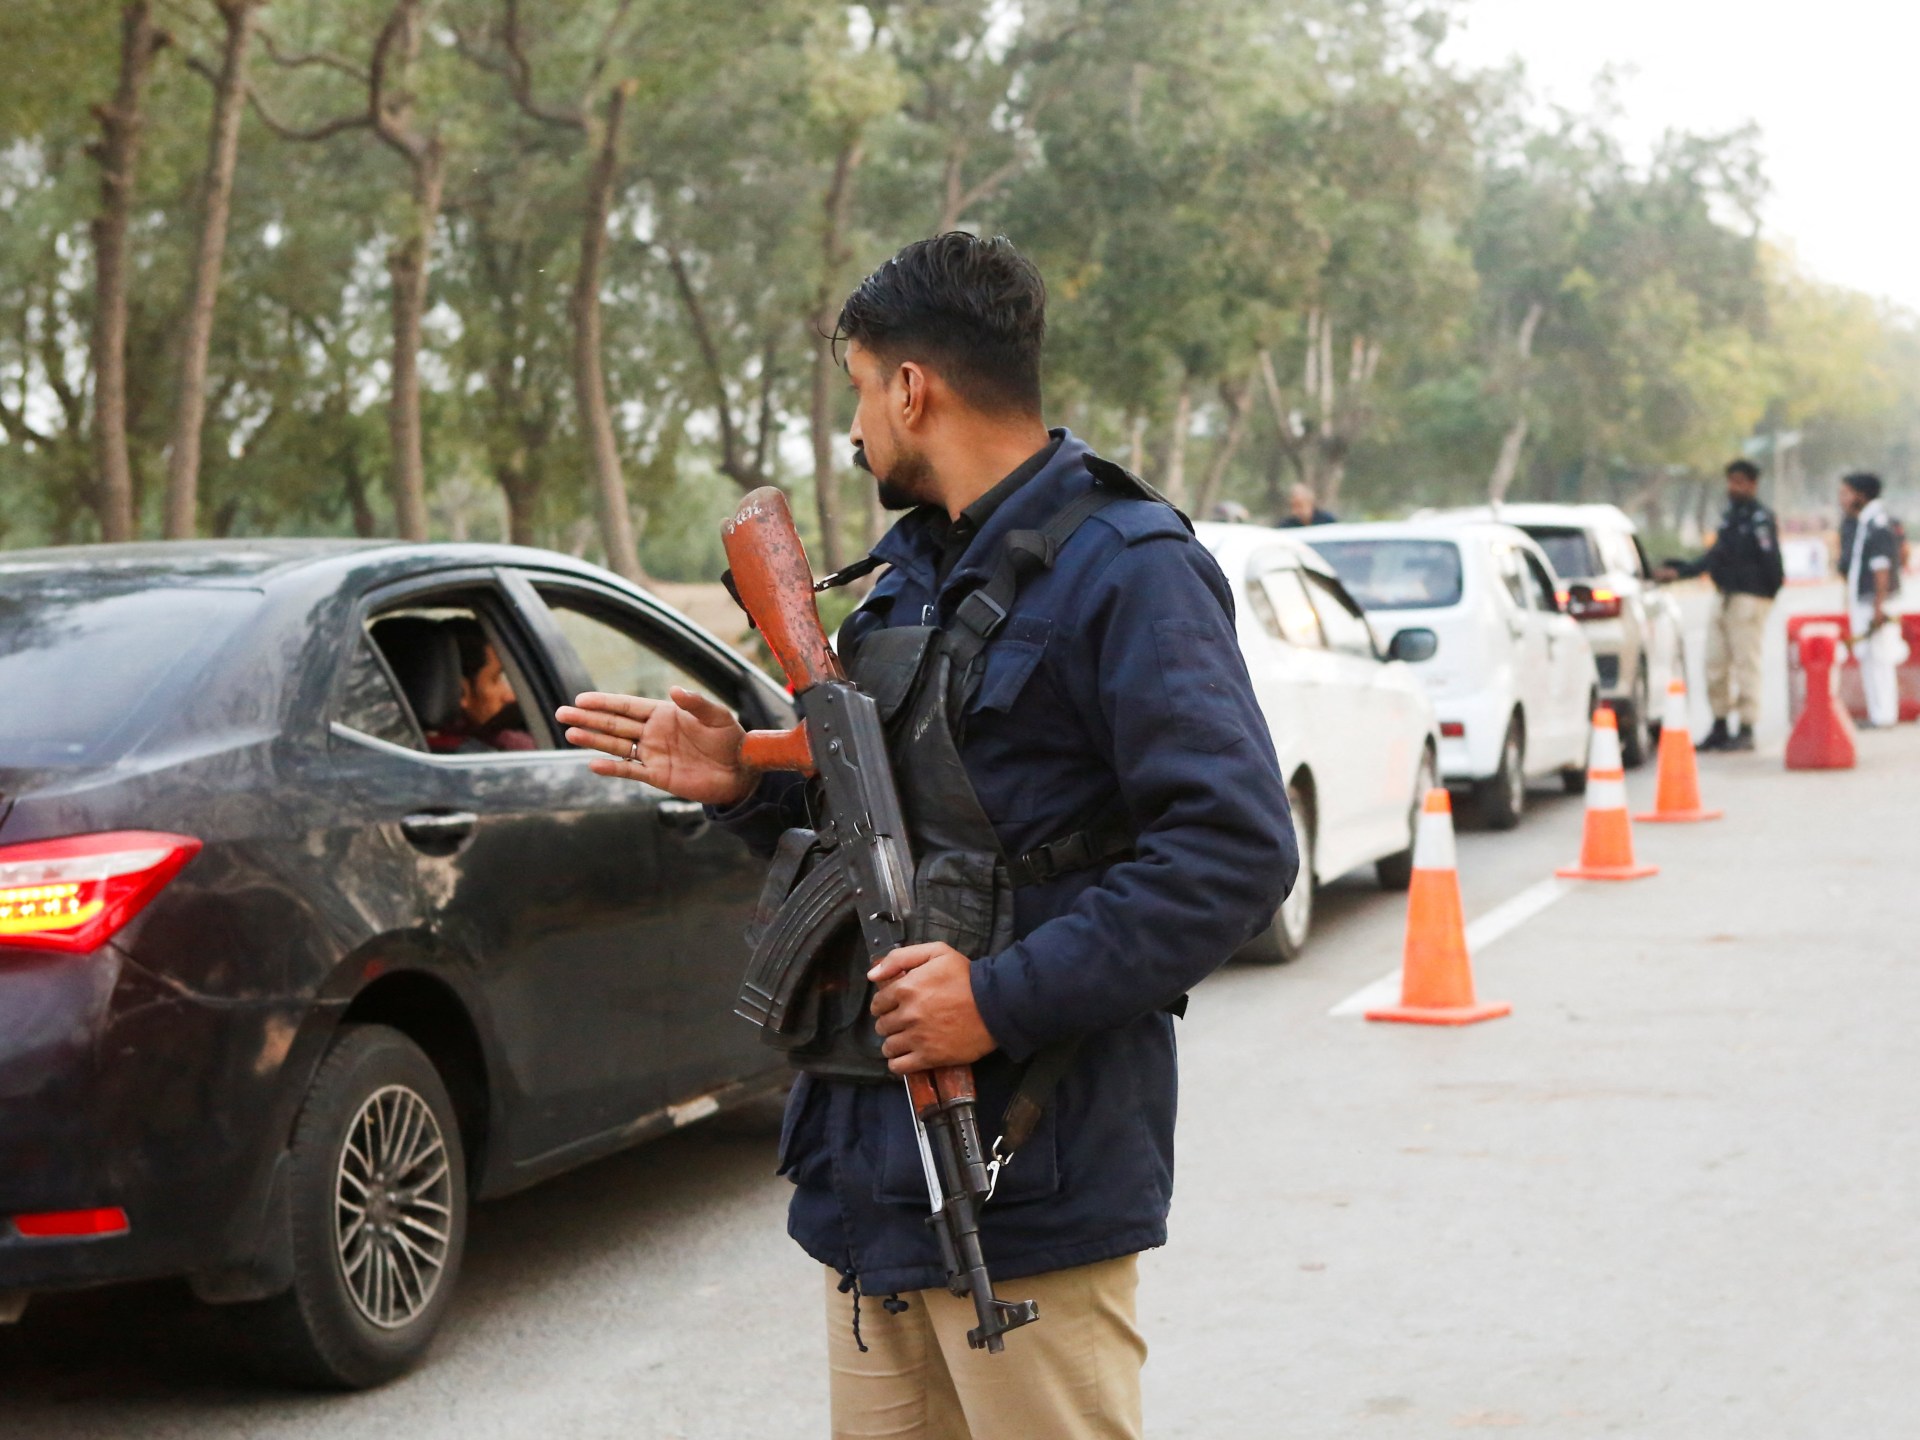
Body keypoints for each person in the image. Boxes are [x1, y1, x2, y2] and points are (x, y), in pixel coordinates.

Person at [557, 233, 1296, 1439]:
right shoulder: (905, 575)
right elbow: (877, 833)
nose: (856, 430)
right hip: (870, 1181)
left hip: (1028, 1174)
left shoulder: (1130, 569)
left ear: (912, 388)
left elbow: (1236, 851)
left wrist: (997, 999)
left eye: (860, 390)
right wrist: (740, 780)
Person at [1656, 459, 1783, 751]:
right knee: (1714, 663)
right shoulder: (1730, 518)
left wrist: (1763, 596)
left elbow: (1773, 564)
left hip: (1748, 598)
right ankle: (1720, 723)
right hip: (1724, 595)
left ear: (1752, 484)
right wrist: (1682, 571)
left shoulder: (1759, 519)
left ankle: (1747, 726)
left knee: (1746, 664)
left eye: (1739, 482)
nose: (1733, 487)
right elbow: (1715, 557)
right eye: (1730, 481)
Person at [1837, 471, 1904, 728]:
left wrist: (1879, 607)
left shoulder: (1877, 524)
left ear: (1861, 495)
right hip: (1866, 602)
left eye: (1846, 493)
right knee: (1870, 659)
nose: (1842, 499)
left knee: (1881, 659)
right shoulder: (1863, 522)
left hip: (1876, 603)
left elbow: (1882, 569)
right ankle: (1878, 713)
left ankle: (1885, 715)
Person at [427, 618, 536, 753]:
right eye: (495, 679)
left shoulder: (410, 742)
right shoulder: (508, 747)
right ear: (461, 691)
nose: (510, 696)